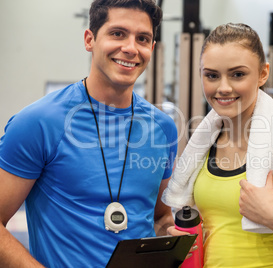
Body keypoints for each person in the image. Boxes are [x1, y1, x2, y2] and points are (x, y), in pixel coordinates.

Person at [0, 0, 178, 267]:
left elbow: (160, 216)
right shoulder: (39, 123)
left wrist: (171, 235)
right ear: (89, 39)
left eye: (142, 38)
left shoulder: (163, 128)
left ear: (151, 48)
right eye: (118, 33)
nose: (130, 48)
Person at [163, 23, 273, 267]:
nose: (223, 88)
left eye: (238, 74)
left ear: (263, 73)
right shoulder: (203, 145)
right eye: (212, 75)